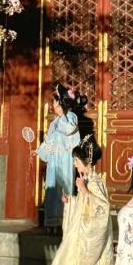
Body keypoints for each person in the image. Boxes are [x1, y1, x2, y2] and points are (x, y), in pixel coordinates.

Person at [37, 83, 82, 232]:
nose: (54, 107)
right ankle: (51, 222)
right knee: (52, 190)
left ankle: (65, 221)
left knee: (65, 188)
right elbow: (49, 141)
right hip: (54, 160)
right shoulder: (53, 123)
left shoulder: (71, 117)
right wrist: (38, 151)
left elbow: (69, 130)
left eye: (56, 104)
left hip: (65, 158)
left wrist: (63, 115)